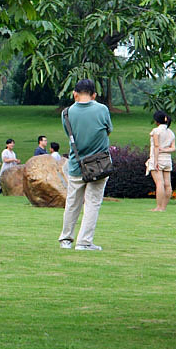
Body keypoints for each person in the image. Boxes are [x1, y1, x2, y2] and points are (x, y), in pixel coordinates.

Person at [59, 79, 112, 251]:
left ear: (75, 94)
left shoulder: (66, 113)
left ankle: (66, 239)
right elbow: (108, 129)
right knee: (92, 203)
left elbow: (69, 134)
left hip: (76, 164)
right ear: (94, 95)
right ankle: (84, 242)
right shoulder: (102, 109)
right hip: (99, 165)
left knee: (72, 203)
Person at [146, 110, 175, 212]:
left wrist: (156, 161)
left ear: (156, 121)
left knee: (159, 183)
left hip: (158, 158)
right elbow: (173, 148)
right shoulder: (170, 132)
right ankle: (163, 207)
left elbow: (156, 146)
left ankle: (158, 207)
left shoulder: (156, 131)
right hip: (167, 159)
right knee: (167, 184)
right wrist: (165, 150)